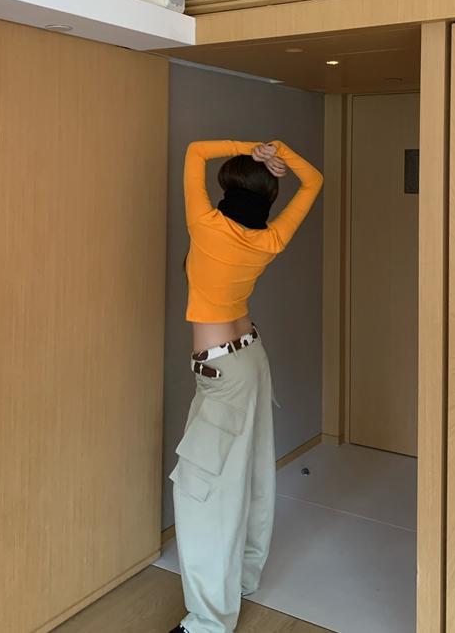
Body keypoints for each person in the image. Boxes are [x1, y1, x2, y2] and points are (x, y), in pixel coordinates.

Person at [169, 139, 324, 633]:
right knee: (252, 473)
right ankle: (242, 577)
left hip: (222, 374)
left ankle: (208, 622)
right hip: (251, 358)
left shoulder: (205, 225)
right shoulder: (269, 239)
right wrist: (279, 153)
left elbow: (196, 151)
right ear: (269, 196)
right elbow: (314, 180)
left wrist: (254, 148)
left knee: (203, 493)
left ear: (226, 186)